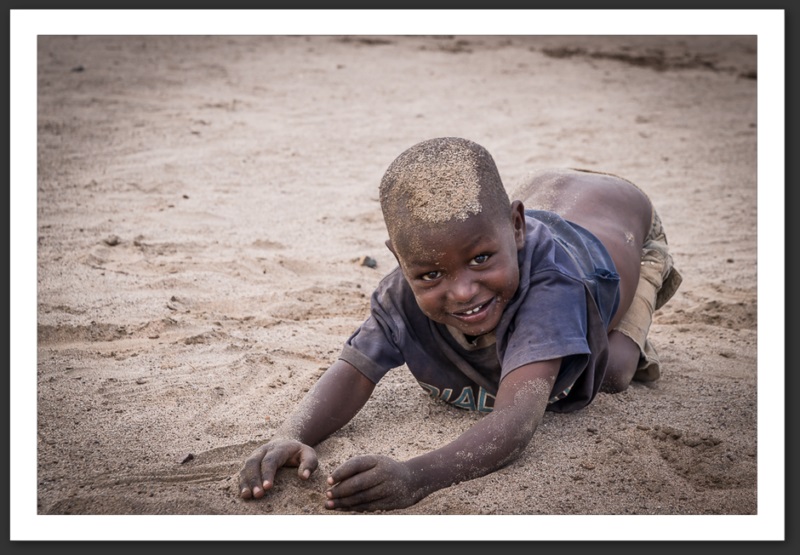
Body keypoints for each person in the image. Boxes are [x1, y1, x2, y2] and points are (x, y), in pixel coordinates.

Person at [237, 137, 682, 512]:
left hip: (624, 221)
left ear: (517, 227)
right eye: (431, 274)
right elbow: (353, 372)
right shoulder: (402, 289)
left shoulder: (551, 286)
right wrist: (290, 435)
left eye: (481, 259)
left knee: (613, 370)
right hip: (541, 198)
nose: (464, 291)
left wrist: (415, 476)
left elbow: (515, 421)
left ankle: (644, 272)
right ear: (400, 259)